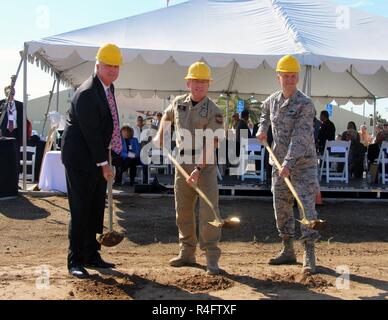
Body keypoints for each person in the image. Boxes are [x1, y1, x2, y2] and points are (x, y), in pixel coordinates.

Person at [153, 61, 224, 275]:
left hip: (205, 166)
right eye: (196, 81)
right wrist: (160, 135)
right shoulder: (178, 103)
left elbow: (212, 143)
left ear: (209, 85)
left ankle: (211, 257)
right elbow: (166, 117)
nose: (200, 85)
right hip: (181, 162)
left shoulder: (214, 111)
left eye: (204, 82)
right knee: (182, 210)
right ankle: (187, 252)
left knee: (208, 211)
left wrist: (198, 169)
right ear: (188, 83)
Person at [61, 44, 123, 278]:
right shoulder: (87, 92)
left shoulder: (108, 88)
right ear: (97, 66)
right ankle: (74, 259)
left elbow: (107, 126)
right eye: (108, 66)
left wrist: (109, 157)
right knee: (80, 208)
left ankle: (91, 254)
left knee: (96, 206)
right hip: (79, 158)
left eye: (116, 66)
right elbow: (91, 132)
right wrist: (104, 163)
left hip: (96, 156)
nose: (113, 70)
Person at [257, 55, 321, 274]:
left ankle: (309, 253)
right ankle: (287, 249)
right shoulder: (273, 100)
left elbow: (301, 138)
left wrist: (288, 163)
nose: (290, 80)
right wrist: (262, 128)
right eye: (286, 76)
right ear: (279, 78)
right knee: (281, 206)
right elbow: (263, 114)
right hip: (278, 163)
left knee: (306, 206)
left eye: (293, 76)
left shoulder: (305, 104)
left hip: (302, 164)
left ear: (298, 78)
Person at [0, 86, 24, 186]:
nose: (11, 93)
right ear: (5, 92)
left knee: (16, 158)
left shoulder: (20, 105)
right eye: (9, 92)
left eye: (13, 91)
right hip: (4, 133)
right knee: (4, 157)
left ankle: (15, 182)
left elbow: (23, 121)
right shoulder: (1, 103)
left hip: (15, 133)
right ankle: (3, 181)